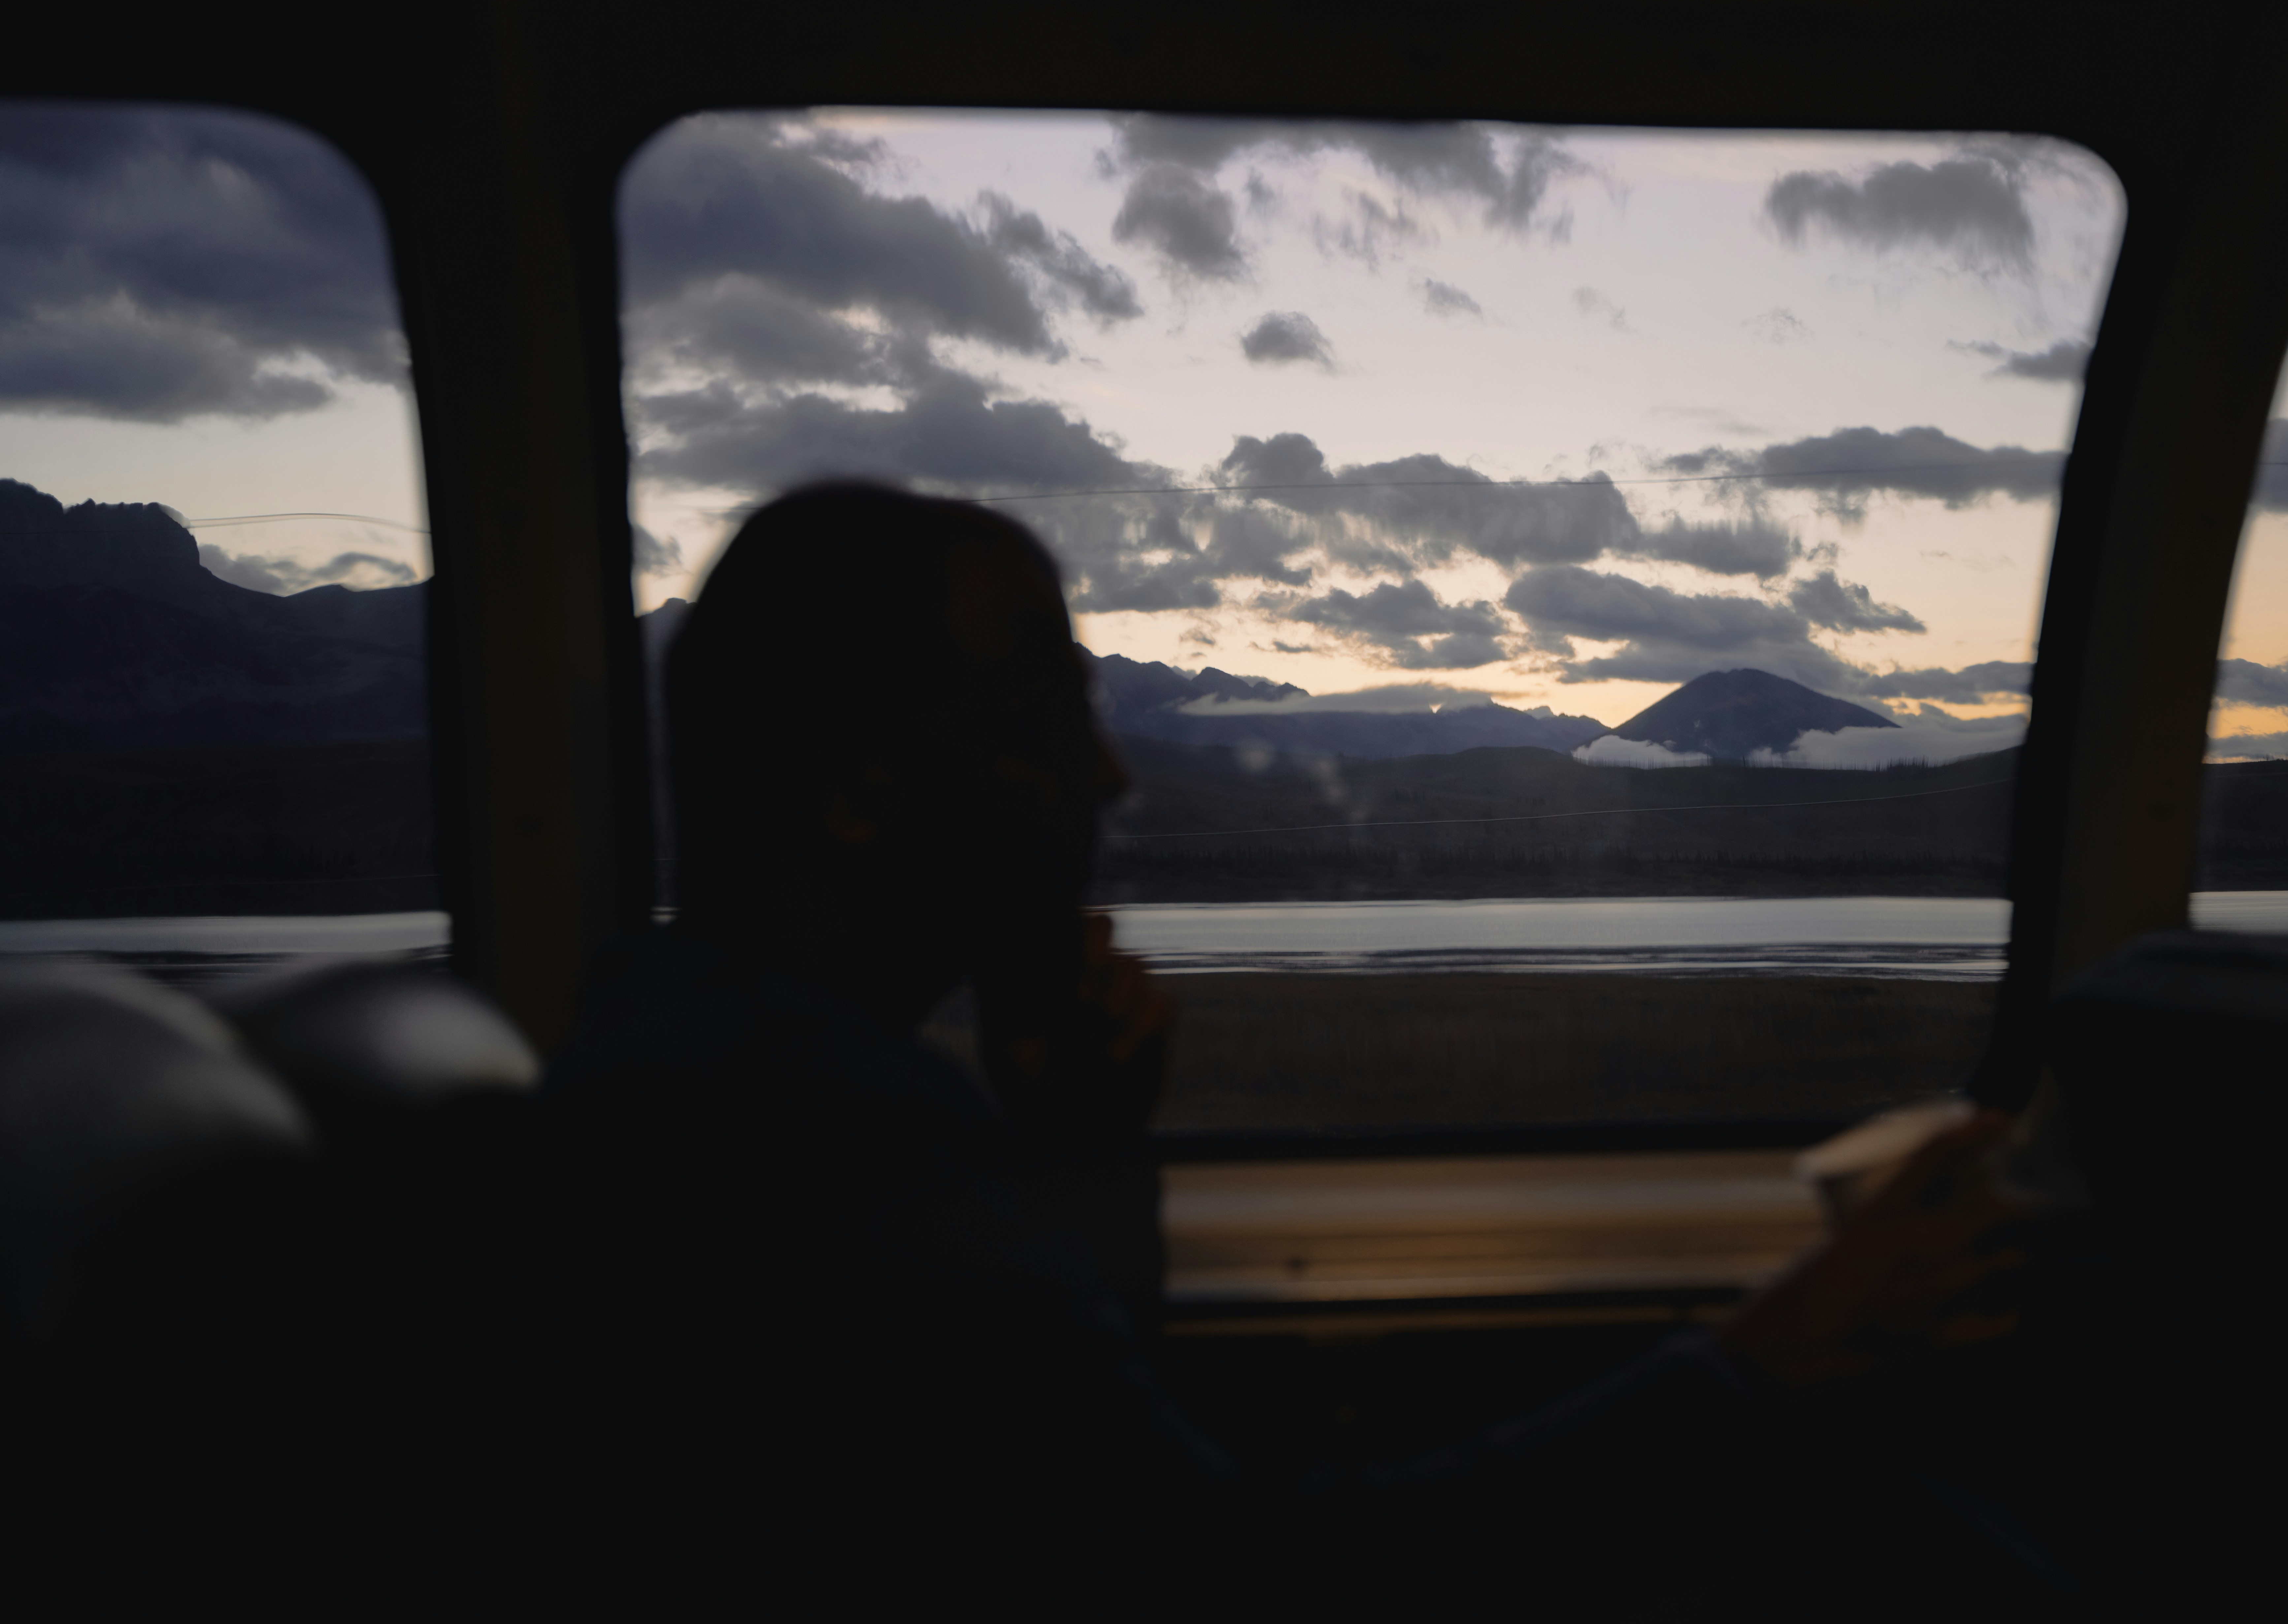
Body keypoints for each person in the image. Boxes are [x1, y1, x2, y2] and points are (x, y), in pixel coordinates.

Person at [545, 484, 2037, 1590]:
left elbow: (1082, 1510)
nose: (1115, 778)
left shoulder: (698, 1063)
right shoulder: (807, 1142)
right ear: (861, 794)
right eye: (1050, 722)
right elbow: (1260, 1581)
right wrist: (1773, 1349)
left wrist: (1075, 1160)